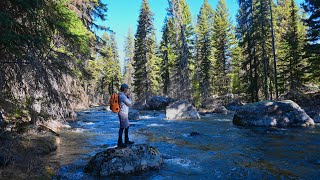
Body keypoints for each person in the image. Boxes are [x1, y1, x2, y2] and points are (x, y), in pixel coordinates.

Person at [117, 83, 134, 148]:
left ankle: (126, 140)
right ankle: (120, 142)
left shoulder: (120, 95)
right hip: (123, 113)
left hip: (123, 113)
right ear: (124, 88)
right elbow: (129, 103)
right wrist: (129, 97)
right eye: (126, 88)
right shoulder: (122, 96)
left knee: (127, 126)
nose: (127, 89)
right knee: (122, 128)